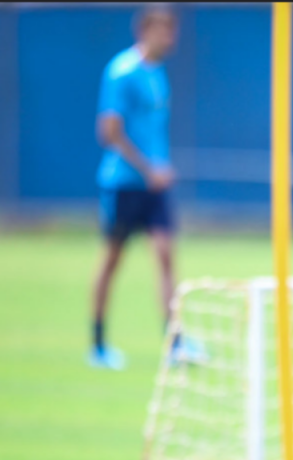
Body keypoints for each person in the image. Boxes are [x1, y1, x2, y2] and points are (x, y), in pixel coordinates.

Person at [89, 5, 181, 370]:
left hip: (154, 186)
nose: (170, 39)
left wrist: (161, 167)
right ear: (144, 30)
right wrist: (147, 168)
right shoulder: (121, 71)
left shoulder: (158, 73)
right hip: (124, 183)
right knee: (112, 260)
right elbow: (108, 132)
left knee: (164, 255)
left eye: (172, 31)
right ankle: (97, 344)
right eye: (163, 31)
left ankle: (175, 342)